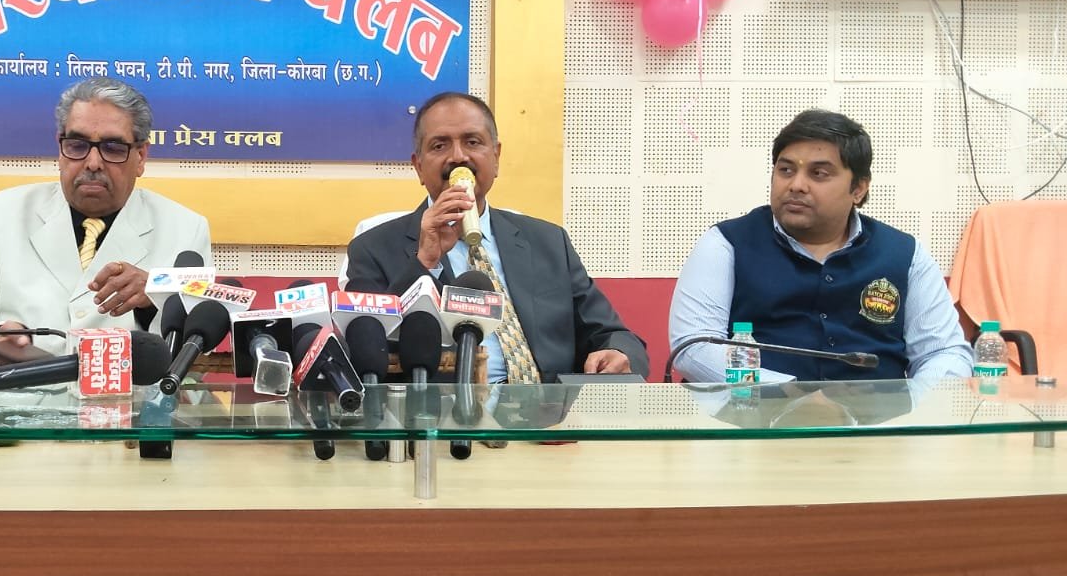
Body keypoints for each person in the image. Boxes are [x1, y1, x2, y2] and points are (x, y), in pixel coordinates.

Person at [344, 91, 648, 382]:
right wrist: (425, 261)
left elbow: (610, 333)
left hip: (549, 414)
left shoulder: (548, 241)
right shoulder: (372, 249)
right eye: (439, 146)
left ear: (496, 156)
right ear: (419, 166)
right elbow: (368, 350)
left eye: (472, 142)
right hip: (443, 414)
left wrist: (619, 352)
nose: (458, 156)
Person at [0, 77, 210, 377]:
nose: (93, 163)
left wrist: (155, 299)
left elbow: (196, 350)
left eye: (112, 148)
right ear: (60, 150)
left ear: (140, 156)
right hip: (20, 400)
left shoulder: (185, 228)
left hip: (132, 403)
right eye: (77, 145)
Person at [669, 108, 971, 382]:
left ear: (858, 188)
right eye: (786, 170)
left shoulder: (905, 255)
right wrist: (786, 396)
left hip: (875, 421)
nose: (796, 185)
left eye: (819, 174)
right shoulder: (726, 244)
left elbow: (944, 353)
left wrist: (913, 408)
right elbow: (694, 347)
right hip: (753, 416)